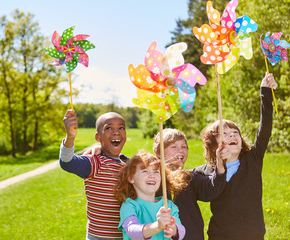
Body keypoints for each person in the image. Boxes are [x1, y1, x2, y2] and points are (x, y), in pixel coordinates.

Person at [194, 72, 278, 240]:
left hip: (252, 233)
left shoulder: (252, 159)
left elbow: (265, 128)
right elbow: (186, 181)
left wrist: (265, 92)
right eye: (224, 133)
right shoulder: (207, 171)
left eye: (235, 132)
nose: (232, 135)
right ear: (212, 145)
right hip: (220, 235)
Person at [59, 110, 128, 240]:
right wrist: (70, 137)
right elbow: (67, 162)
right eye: (108, 128)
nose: (116, 132)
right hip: (98, 236)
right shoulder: (95, 163)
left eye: (121, 127)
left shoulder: (130, 166)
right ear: (98, 137)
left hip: (126, 235)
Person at [152, 128, 226, 240]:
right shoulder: (152, 178)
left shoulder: (190, 177)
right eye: (173, 147)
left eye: (183, 147)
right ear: (158, 152)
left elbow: (211, 189)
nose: (180, 150)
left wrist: (220, 165)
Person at [114, 151, 189, 240]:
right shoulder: (130, 205)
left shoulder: (168, 205)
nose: (152, 175)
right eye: (145, 171)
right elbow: (132, 230)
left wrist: (174, 230)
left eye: (156, 172)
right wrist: (157, 226)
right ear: (131, 178)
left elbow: (181, 230)